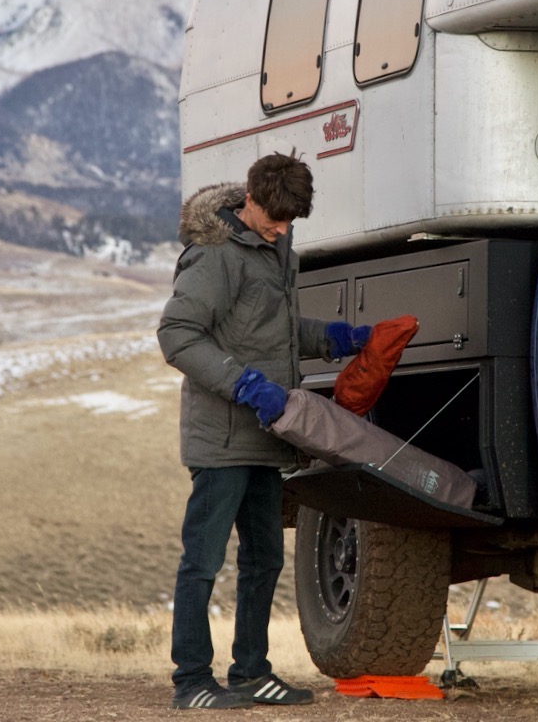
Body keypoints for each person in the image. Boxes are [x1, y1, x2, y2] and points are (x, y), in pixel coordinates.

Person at [158, 152, 368, 711]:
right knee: (202, 560)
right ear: (248, 198)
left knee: (264, 561)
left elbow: (271, 328)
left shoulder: (277, 250)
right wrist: (244, 383)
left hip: (269, 435)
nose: (281, 228)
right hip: (221, 437)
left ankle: (251, 671)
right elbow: (177, 334)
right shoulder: (214, 255)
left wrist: (333, 338)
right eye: (273, 218)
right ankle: (191, 681)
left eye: (289, 222)